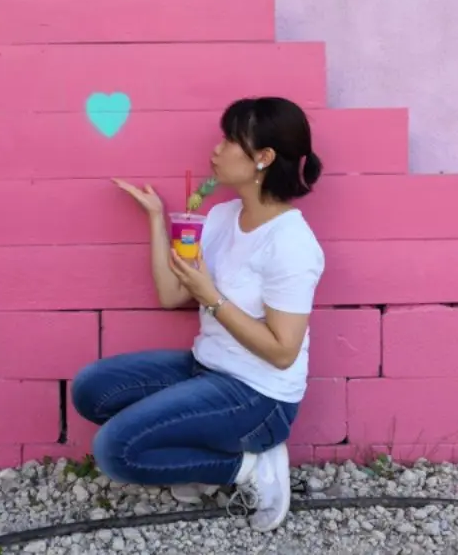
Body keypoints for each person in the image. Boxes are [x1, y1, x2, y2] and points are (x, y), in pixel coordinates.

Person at [71, 96, 326, 532]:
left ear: (263, 158)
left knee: (116, 452)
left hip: (259, 395)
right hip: (207, 367)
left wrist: (212, 298)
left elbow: (283, 353)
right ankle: (202, 455)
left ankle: (249, 468)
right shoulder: (224, 215)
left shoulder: (291, 243)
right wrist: (157, 219)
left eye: (230, 140)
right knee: (91, 390)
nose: (216, 149)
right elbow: (171, 294)